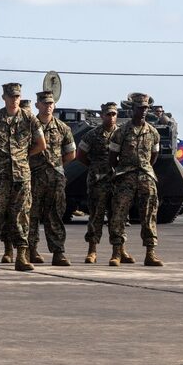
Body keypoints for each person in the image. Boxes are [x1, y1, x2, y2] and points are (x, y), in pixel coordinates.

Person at [0, 82, 46, 272]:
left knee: (21, 216)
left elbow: (41, 144)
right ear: (4, 98)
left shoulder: (30, 119)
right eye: (11, 96)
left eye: (17, 96)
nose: (14, 100)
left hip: (21, 177)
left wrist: (22, 156)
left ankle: (21, 257)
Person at [107, 92, 163, 267]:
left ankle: (150, 253)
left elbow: (154, 156)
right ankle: (117, 252)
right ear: (132, 109)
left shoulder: (153, 132)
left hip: (146, 177)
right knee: (119, 215)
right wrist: (123, 170)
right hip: (125, 177)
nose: (144, 111)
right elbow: (112, 157)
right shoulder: (121, 132)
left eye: (146, 108)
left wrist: (144, 168)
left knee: (149, 215)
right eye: (140, 108)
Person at [27, 91, 76, 266]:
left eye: (51, 103)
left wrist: (56, 164)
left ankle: (58, 252)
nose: (48, 106)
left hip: (55, 178)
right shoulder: (29, 126)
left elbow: (71, 153)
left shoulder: (62, 128)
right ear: (37, 105)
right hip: (33, 176)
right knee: (31, 215)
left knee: (55, 215)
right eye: (45, 103)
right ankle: (30, 250)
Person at [76, 102, 119, 263]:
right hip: (97, 182)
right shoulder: (92, 135)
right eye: (108, 114)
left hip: (116, 181)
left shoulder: (121, 134)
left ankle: (118, 252)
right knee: (96, 216)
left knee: (118, 217)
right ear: (102, 116)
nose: (111, 117)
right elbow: (80, 155)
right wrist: (95, 167)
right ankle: (92, 250)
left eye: (114, 114)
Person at [0, 98, 34, 263]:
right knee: (6, 215)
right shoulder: (0, 121)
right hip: (7, 175)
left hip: (28, 176)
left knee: (24, 215)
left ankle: (27, 251)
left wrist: (23, 158)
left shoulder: (33, 126)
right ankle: (8, 250)